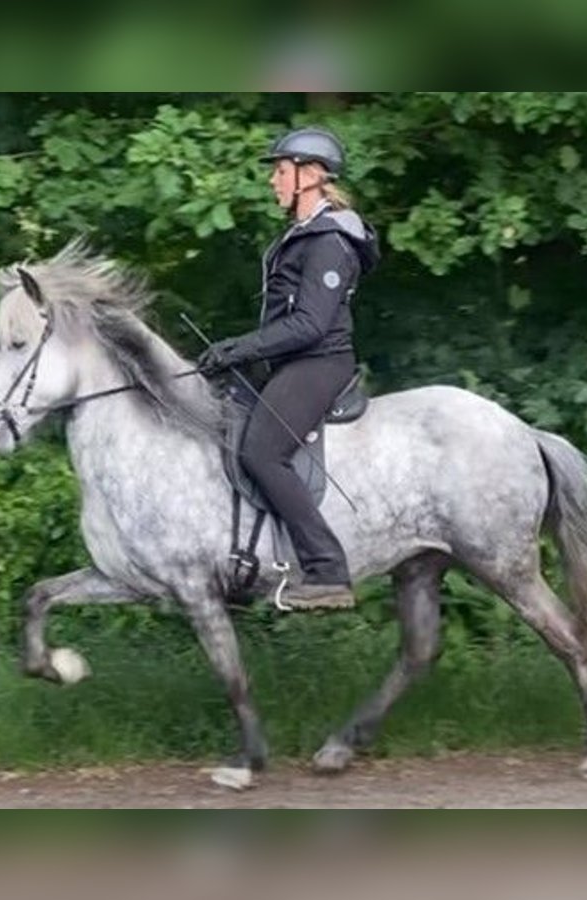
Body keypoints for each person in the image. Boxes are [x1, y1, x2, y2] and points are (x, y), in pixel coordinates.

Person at [197, 126, 380, 610]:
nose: (273, 182)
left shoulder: (331, 240)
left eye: (280, 171)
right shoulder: (301, 235)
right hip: (291, 360)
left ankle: (327, 570)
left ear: (312, 176)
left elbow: (311, 325)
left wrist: (239, 349)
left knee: (261, 451)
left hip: (320, 362)